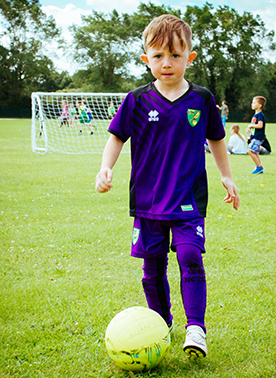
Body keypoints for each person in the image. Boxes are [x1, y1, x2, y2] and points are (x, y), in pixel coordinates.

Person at [95, 14, 240, 359]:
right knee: (152, 267)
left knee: (190, 256)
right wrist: (105, 168)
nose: (167, 63)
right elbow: (116, 137)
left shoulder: (202, 99)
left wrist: (227, 175)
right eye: (158, 56)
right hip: (148, 201)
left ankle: (196, 328)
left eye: (176, 55)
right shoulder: (137, 100)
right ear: (146, 59)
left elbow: (217, 139)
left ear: (190, 56)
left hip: (188, 197)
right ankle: (161, 322)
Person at [246, 96, 267, 174]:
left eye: (254, 102)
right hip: (255, 137)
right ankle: (259, 167)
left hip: (258, 137)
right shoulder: (255, 115)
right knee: (255, 152)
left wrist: (251, 126)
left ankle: (259, 167)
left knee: (250, 151)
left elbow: (260, 125)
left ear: (260, 105)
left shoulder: (260, 115)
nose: (252, 104)